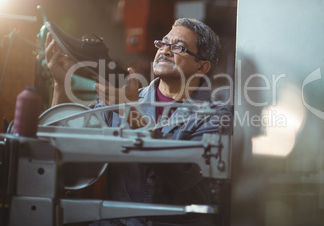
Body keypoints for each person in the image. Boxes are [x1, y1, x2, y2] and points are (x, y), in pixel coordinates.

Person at [45, 18, 232, 225]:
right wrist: (61, 85)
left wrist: (133, 114)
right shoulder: (126, 98)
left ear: (202, 67)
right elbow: (60, 143)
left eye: (179, 47)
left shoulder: (215, 115)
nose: (165, 51)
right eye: (163, 43)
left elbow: (182, 175)